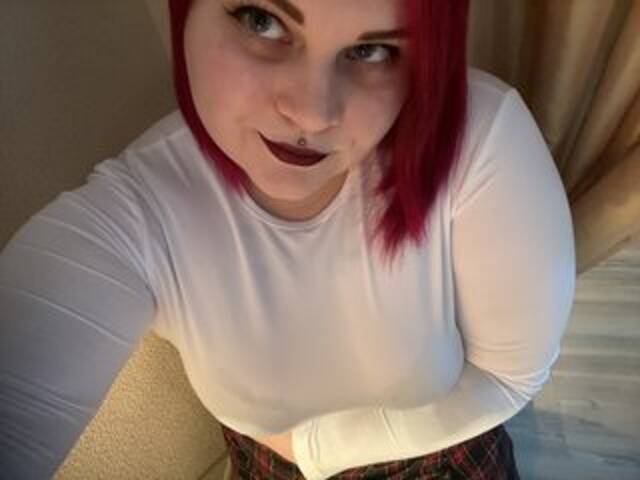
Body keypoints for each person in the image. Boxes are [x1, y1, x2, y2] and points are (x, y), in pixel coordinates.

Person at [0, 0, 576, 478]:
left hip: (448, 458)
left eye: (371, 50)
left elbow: (507, 377)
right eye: (262, 20)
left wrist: (315, 451)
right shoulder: (135, 214)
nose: (312, 112)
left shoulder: (482, 141)